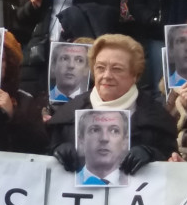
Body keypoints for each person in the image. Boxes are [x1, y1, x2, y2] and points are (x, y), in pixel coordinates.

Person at [48, 34, 178, 176]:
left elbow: (173, 168)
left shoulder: (157, 120)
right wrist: (56, 150)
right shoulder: (66, 117)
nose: (106, 75)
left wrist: (153, 155)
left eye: (116, 69)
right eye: (100, 68)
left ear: (135, 75)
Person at [76, 110, 130, 185]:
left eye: (114, 131)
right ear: (81, 139)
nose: (104, 138)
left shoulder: (137, 183)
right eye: (95, 130)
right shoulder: (65, 183)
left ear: (125, 141)